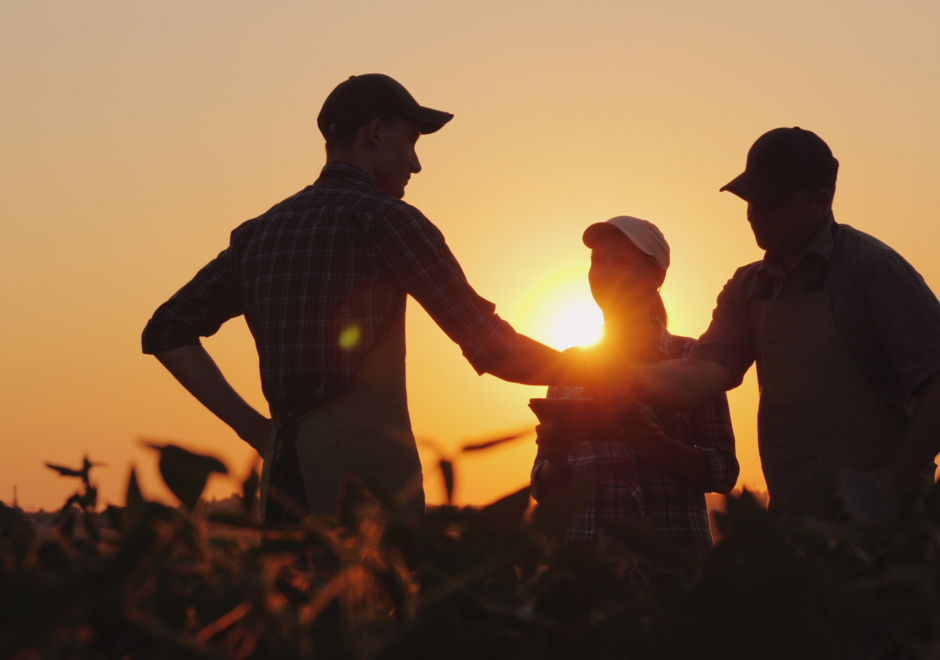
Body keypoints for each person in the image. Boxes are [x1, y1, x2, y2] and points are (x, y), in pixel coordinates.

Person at [141, 74, 603, 521]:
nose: (416, 164)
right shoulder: (387, 221)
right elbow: (493, 348)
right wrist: (603, 374)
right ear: (376, 133)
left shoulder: (259, 234)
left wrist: (258, 432)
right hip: (366, 502)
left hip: (282, 491)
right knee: (371, 581)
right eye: (412, 141)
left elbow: (166, 330)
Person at [628, 127, 940, 517]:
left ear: (820, 202)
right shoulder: (748, 288)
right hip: (795, 520)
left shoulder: (875, 271)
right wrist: (619, 378)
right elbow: (702, 373)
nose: (754, 214)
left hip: (889, 526)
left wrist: (892, 482)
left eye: (770, 201)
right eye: (749, 200)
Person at [530, 216, 738, 555]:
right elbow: (543, 488)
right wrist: (557, 458)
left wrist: (663, 449)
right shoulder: (567, 366)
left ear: (657, 276)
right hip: (585, 563)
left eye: (622, 263)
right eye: (598, 261)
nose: (606, 272)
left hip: (673, 562)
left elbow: (725, 471)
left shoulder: (694, 360)